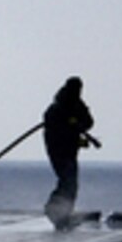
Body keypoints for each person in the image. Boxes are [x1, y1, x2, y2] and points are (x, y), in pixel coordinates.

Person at [43, 76, 96, 231]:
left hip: (71, 149)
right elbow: (51, 123)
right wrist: (68, 125)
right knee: (67, 180)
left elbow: (89, 122)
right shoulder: (57, 107)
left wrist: (77, 124)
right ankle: (54, 209)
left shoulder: (78, 105)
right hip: (58, 149)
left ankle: (63, 211)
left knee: (70, 182)